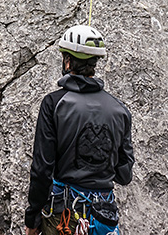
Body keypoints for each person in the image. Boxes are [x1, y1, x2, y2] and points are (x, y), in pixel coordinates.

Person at [25, 25, 134, 235]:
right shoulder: (120, 110)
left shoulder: (54, 104)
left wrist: (33, 218)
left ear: (67, 61)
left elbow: (42, 169)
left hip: (64, 218)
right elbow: (124, 174)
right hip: (104, 219)